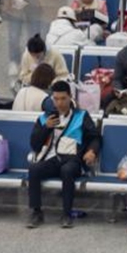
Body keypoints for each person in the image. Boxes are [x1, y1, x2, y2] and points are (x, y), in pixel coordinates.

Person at [26, 81, 100, 228]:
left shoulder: (81, 116)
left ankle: (67, 214)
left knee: (67, 171)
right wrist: (45, 128)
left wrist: (92, 151)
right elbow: (35, 145)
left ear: (70, 97)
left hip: (73, 159)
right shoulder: (44, 118)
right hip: (52, 159)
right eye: (56, 99)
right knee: (33, 170)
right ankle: (36, 212)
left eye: (63, 98)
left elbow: (95, 137)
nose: (59, 103)